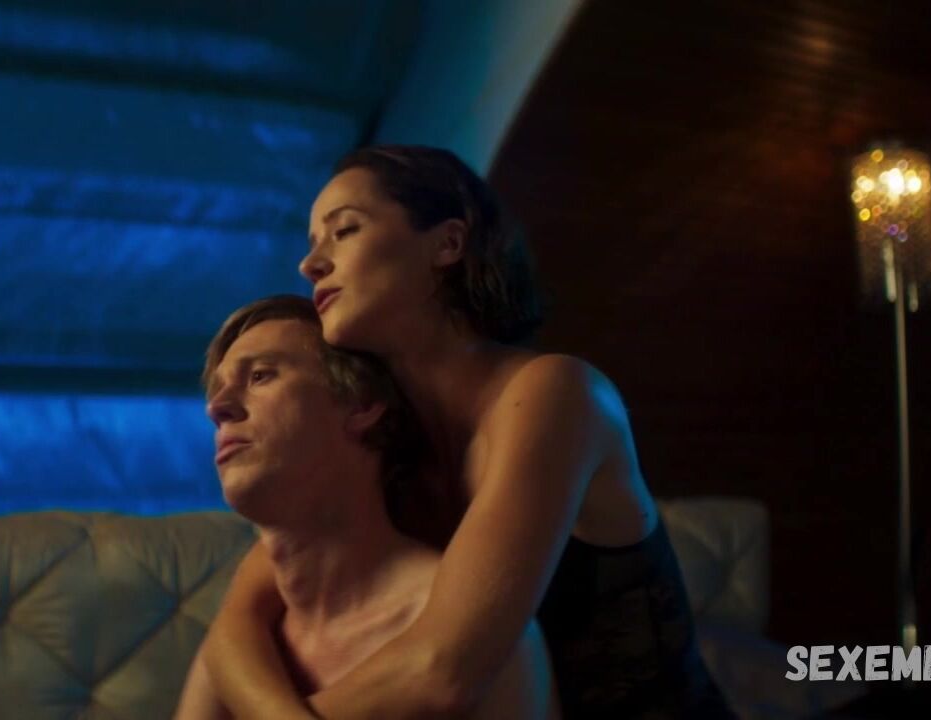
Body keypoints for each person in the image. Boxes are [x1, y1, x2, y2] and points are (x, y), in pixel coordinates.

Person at [201, 146, 733, 718]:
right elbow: (235, 627)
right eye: (311, 243)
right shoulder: (381, 434)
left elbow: (442, 672)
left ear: (448, 243)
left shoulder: (556, 394)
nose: (311, 265)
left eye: (344, 230)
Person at [174, 295, 558, 720]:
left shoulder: (479, 641)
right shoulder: (243, 644)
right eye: (217, 389)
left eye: (261, 376)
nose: (217, 407)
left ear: (361, 404)